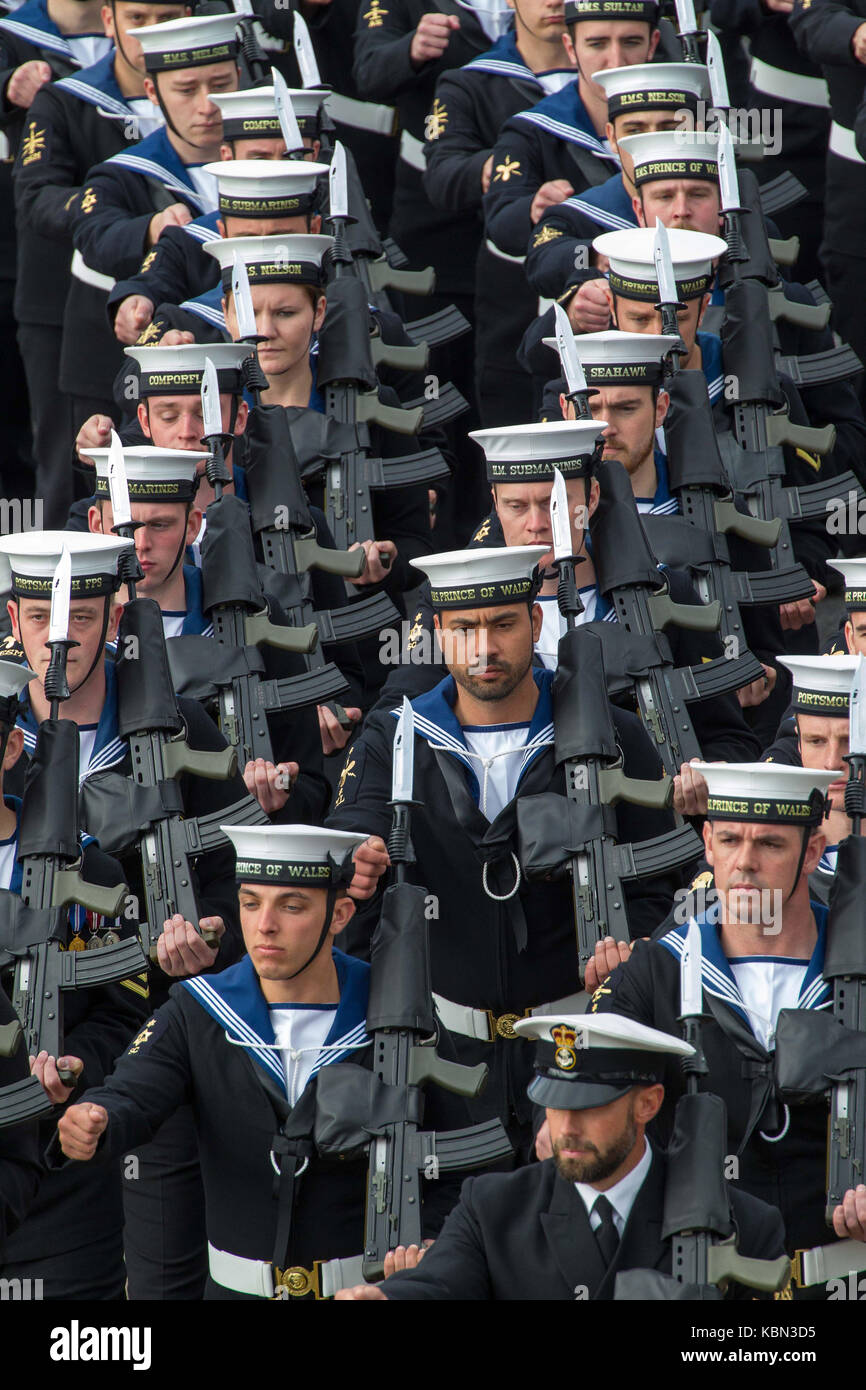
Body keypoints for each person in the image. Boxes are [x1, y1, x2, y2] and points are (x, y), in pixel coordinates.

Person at [328, 542, 683, 1154]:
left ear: (537, 622)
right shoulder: (397, 736)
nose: (484, 647)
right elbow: (359, 820)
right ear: (437, 633)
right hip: (449, 1060)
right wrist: (356, 855)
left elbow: (672, 881)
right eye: (463, 628)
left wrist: (636, 953)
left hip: (581, 1042)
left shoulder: (611, 733)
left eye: (503, 624)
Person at [53, 823, 471, 1301]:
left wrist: (432, 1240)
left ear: (340, 914)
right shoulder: (200, 1008)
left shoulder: (395, 1008)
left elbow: (456, 1151)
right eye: (250, 903)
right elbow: (132, 1092)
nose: (264, 925)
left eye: (291, 906)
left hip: (365, 1292)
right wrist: (96, 1119)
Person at [590, 760, 866, 1284]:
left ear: (811, 852)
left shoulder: (859, 967)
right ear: (708, 846)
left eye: (770, 844)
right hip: (705, 1283)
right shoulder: (655, 974)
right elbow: (582, 1099)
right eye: (731, 840)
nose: (745, 863)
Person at [335, 1012, 787, 1300]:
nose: (565, 1128)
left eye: (589, 1108)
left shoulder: (742, 1227)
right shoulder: (493, 1208)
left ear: (647, 1104)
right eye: (555, 1104)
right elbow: (438, 1284)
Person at [11, 0, 187, 526]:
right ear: (109, 20)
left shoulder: (217, 97)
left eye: (167, 19)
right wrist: (110, 217)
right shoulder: (68, 101)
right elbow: (37, 198)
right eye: (139, 20)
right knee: (72, 462)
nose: (154, 37)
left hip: (181, 304)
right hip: (71, 310)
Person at [70, 12, 241, 291]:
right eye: (186, 90)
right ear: (152, 91)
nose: (207, 105)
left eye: (221, 86)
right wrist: (150, 228)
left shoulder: (279, 157)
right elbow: (94, 236)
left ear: (239, 78)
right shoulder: (121, 176)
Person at [482, 0, 661, 260]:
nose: (616, 61)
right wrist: (533, 208)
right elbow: (500, 225)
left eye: (631, 42)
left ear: (653, 44)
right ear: (570, 47)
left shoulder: (689, 121)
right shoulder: (532, 129)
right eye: (597, 44)